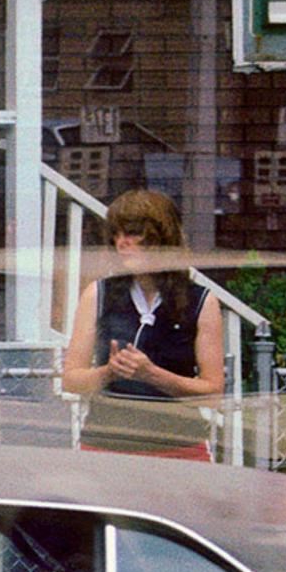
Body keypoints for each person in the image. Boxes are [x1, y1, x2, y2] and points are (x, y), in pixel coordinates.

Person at [59, 187, 228, 457]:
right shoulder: (98, 294)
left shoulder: (200, 301)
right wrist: (108, 372)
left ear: (162, 237)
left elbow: (212, 393)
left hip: (178, 445)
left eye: (132, 233)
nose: (121, 243)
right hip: (108, 444)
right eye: (116, 234)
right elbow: (71, 380)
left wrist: (152, 374)